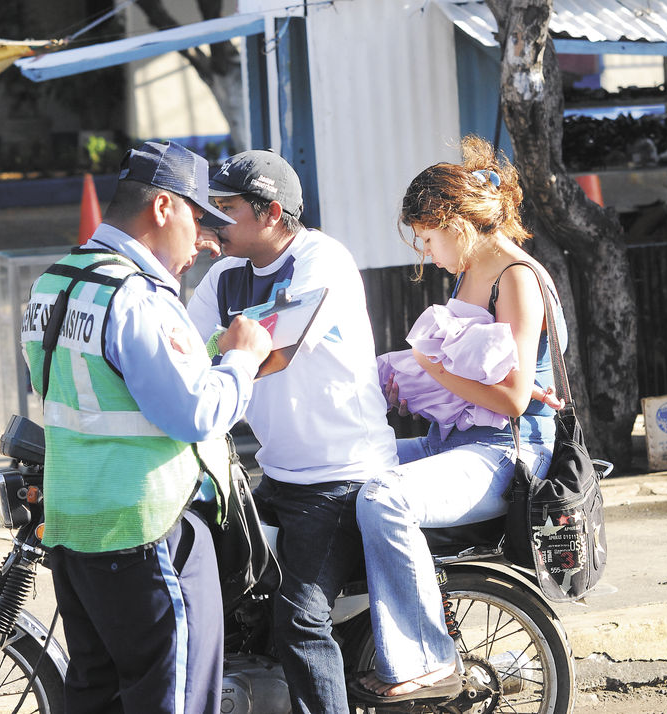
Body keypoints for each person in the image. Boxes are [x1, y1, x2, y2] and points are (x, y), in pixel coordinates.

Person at [20, 140, 272, 714]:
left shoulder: (53, 283)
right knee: (173, 699)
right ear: (164, 208)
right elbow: (196, 412)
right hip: (149, 530)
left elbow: (68, 389)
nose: (203, 241)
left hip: (72, 529)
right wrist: (242, 358)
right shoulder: (135, 296)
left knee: (96, 695)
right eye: (197, 219)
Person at [350, 135, 567, 705]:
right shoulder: (473, 272)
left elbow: (514, 398)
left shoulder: (515, 277)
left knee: (382, 497)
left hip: (504, 451)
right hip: (457, 441)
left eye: (427, 237)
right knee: (342, 469)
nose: (427, 252)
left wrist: (427, 367)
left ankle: (426, 659)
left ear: (456, 223)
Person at [186, 150, 398, 714]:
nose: (210, 223)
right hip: (278, 472)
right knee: (228, 594)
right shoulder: (225, 275)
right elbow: (182, 350)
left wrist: (223, 353)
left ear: (272, 212)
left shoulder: (321, 260)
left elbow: (274, 350)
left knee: (299, 619)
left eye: (225, 210)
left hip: (341, 476)